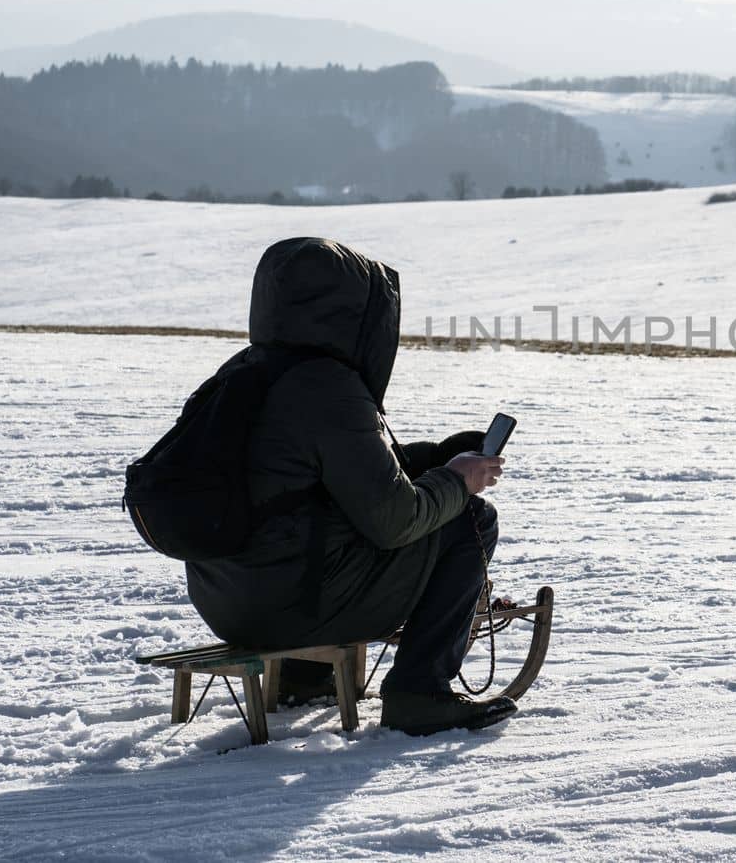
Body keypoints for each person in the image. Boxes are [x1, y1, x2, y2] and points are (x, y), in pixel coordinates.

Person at [185, 236, 516, 735]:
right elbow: (394, 521)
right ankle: (419, 692)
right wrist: (458, 480)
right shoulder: (328, 389)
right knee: (471, 517)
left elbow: (323, 480)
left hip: (226, 603)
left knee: (319, 529)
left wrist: (435, 458)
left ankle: (306, 675)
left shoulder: (242, 373)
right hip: (291, 609)